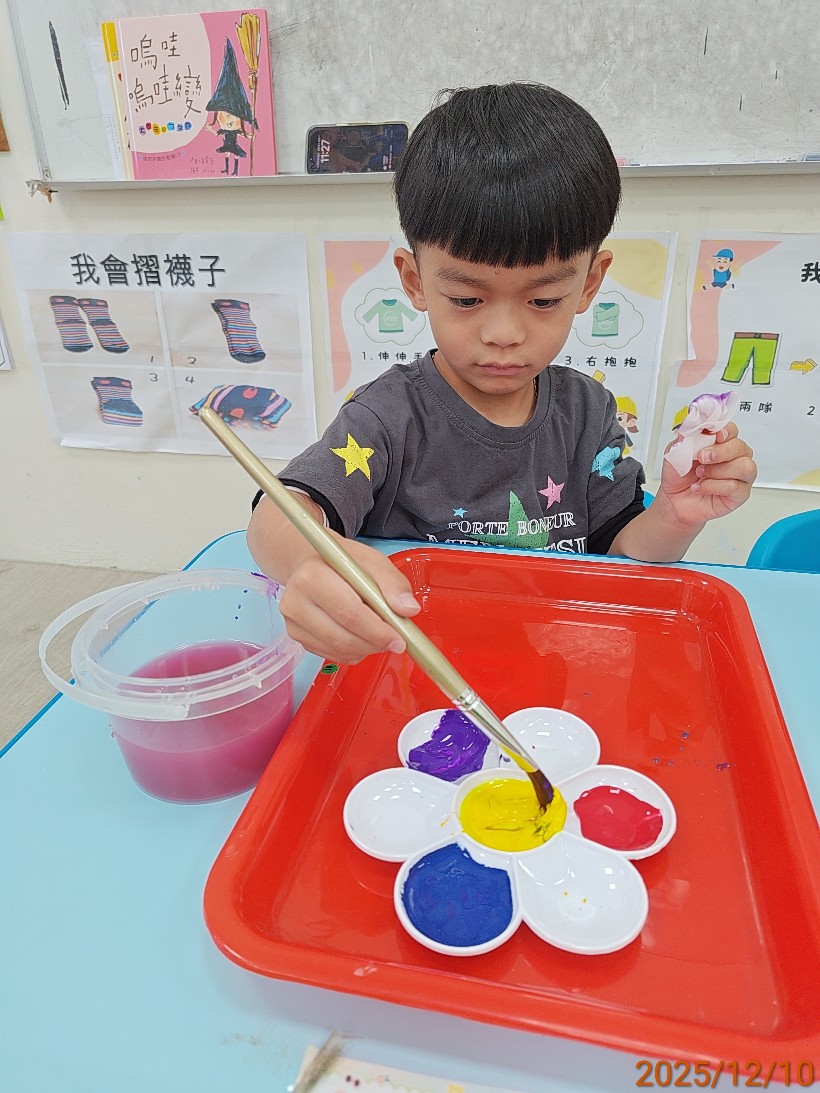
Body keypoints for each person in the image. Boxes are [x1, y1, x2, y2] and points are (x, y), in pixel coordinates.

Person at [247, 83, 756, 664]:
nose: (504, 334)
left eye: (543, 301)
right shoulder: (388, 417)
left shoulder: (588, 414)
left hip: (551, 666)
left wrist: (675, 514)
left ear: (589, 283)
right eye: (467, 299)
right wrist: (309, 560)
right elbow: (277, 515)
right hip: (413, 668)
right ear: (414, 281)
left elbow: (620, 561)